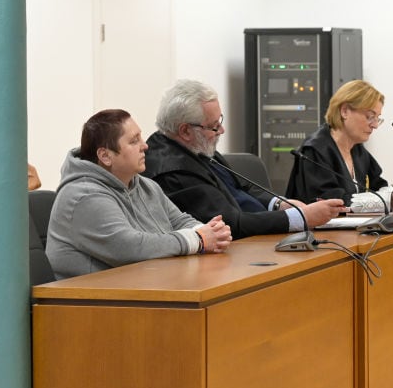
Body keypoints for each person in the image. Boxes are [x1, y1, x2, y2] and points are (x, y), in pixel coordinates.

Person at [143, 80, 346, 239]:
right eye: (214, 126)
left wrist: (280, 204)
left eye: (219, 121)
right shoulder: (172, 169)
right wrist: (301, 218)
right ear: (185, 130)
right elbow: (230, 223)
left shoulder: (194, 146)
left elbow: (243, 188)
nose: (221, 130)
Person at [46, 109, 232, 279]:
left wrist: (212, 234)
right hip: (88, 303)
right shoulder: (83, 196)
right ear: (105, 156)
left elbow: (180, 221)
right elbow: (130, 248)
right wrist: (198, 239)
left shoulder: (145, 185)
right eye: (134, 141)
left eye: (141, 138)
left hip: (139, 287)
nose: (145, 146)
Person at [286, 79, 393, 212]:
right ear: (344, 111)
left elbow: (377, 184)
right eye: (370, 116)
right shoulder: (315, 151)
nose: (375, 125)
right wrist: (387, 202)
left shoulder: (357, 148)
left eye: (377, 118)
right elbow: (330, 201)